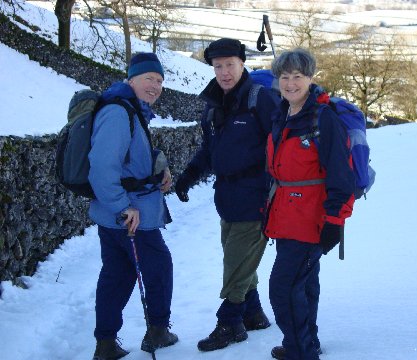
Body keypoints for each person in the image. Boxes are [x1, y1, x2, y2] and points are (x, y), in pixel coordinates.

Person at [174, 38, 279, 352]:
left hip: (257, 195)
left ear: (242, 63)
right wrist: (189, 177)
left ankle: (230, 322)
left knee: (236, 263)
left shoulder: (260, 99)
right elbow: (210, 150)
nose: (224, 72)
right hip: (227, 196)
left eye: (230, 64)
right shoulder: (215, 103)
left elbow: (281, 144)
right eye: (218, 66)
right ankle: (254, 313)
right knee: (240, 260)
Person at [264, 48, 355, 360]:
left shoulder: (323, 118)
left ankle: (301, 351)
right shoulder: (283, 113)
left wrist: (335, 221)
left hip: (311, 221)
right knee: (304, 286)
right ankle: (304, 344)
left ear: (311, 78)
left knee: (284, 289)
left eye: (298, 77)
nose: (290, 83)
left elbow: (343, 176)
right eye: (285, 77)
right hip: (286, 216)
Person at [88, 52, 178, 360]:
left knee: (117, 274)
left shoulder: (131, 110)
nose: (155, 86)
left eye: (159, 81)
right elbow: (101, 166)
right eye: (149, 79)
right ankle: (158, 331)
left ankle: (105, 343)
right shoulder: (118, 113)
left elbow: (135, 157)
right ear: (131, 80)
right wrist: (123, 206)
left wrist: (161, 169)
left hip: (120, 214)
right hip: (131, 217)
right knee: (158, 269)